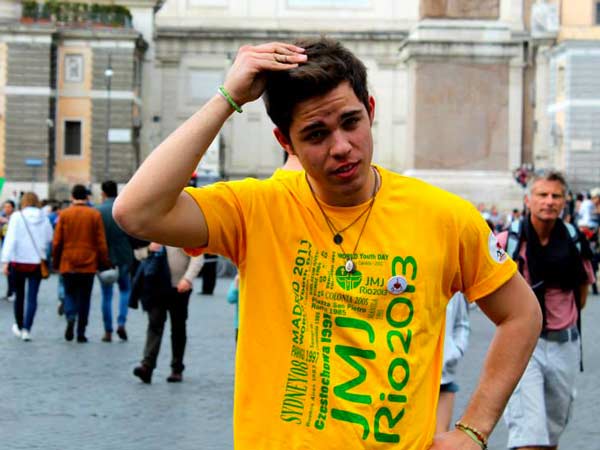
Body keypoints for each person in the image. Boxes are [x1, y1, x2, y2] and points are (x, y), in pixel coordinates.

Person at [114, 38, 541, 449]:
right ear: (286, 142)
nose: (341, 147)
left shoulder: (444, 217)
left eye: (351, 122)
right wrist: (228, 98)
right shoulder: (255, 210)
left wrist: (473, 430)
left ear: (370, 110)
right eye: (316, 134)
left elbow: (521, 314)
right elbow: (136, 212)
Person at [498, 170, 595, 450]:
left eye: (556, 195)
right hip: (522, 346)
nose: (549, 201)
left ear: (565, 201)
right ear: (528, 200)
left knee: (550, 438)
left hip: (564, 345)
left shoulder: (575, 241)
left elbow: (581, 294)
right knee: (530, 437)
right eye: (542, 194)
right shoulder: (508, 241)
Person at [132, 242, 203, 383]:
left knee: (178, 328)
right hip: (156, 286)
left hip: (179, 288)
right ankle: (147, 366)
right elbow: (137, 254)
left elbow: (198, 258)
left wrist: (188, 279)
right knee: (154, 325)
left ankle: (177, 369)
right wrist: (148, 249)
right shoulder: (151, 232)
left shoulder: (186, 233)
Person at [52, 184, 111, 343]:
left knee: (69, 293)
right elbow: (101, 242)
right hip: (88, 263)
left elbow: (57, 242)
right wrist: (104, 262)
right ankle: (81, 332)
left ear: (72, 196)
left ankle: (70, 316)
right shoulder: (94, 215)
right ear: (86, 197)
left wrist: (56, 261)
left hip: (68, 262)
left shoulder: (65, 214)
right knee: (85, 298)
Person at [0, 192, 53, 341]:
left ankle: (19, 324)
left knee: (19, 295)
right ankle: (27, 329)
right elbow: (49, 237)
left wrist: (5, 261)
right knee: (32, 297)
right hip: (36, 262)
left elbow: (10, 239)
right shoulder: (44, 217)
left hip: (19, 261)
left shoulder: (17, 216)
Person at [97, 180, 134, 342]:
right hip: (124, 255)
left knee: (106, 295)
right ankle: (121, 322)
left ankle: (108, 330)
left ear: (103, 193)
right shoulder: (124, 209)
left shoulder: (97, 211)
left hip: (105, 258)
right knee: (125, 290)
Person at [436, 292, 470, 434]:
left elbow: (462, 323)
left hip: (443, 380)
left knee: (439, 437)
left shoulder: (454, 289)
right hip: (407, 379)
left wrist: (454, 351)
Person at [0, 199, 16, 301]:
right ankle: (9, 292)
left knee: (12, 271)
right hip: (4, 245)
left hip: (14, 249)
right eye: (5, 207)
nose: (6, 209)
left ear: (13, 208)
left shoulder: (16, 217)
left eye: (8, 207)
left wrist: (7, 221)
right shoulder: (2, 217)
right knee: (8, 271)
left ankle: (13, 292)